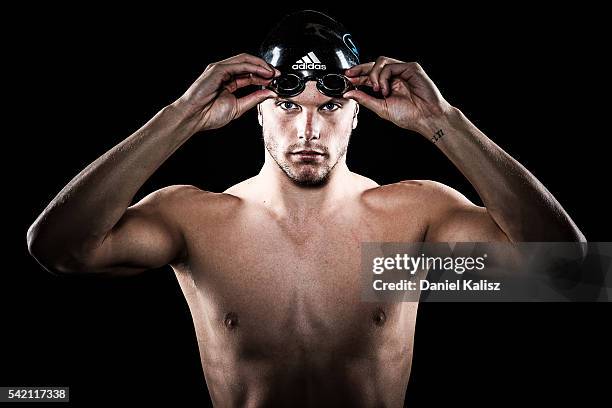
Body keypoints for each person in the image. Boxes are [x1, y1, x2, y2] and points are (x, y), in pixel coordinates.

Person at [26, 10, 585, 407]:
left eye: (331, 106)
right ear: (257, 112)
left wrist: (442, 123)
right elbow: (59, 248)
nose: (310, 130)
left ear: (358, 113)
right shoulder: (198, 222)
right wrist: (182, 116)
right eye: (289, 106)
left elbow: (562, 271)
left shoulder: (407, 224)